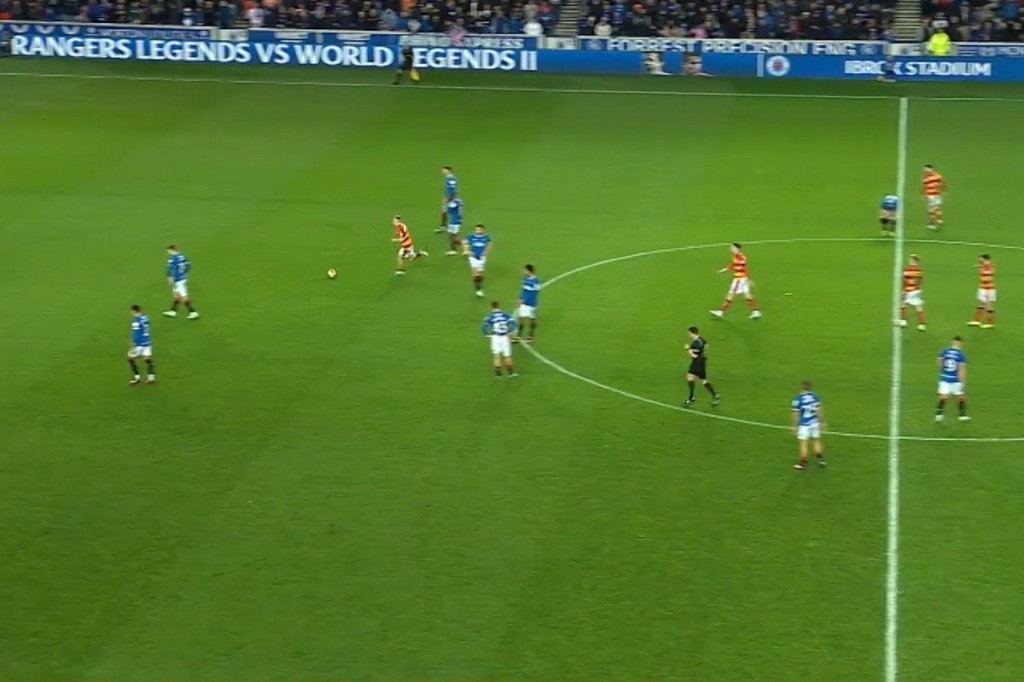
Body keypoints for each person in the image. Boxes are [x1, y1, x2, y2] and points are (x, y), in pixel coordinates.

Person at [710, 242, 761, 320]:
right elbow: (733, 265)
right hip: (742, 279)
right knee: (747, 295)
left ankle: (720, 312)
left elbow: (743, 269)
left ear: (737, 249)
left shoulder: (740, 258)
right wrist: (724, 270)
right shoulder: (737, 256)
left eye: (732, 247)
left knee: (730, 294)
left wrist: (748, 280)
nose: (731, 249)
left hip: (739, 279)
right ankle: (756, 311)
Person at [791, 381, 826, 470]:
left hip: (804, 425)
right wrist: (821, 422)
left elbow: (796, 415)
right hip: (814, 423)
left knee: (804, 444)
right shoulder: (815, 396)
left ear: (801, 388)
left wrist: (795, 427)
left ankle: (803, 464)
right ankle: (821, 460)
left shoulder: (798, 399)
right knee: (816, 441)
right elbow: (819, 410)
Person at [683, 326, 720, 407]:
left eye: (689, 333)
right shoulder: (701, 339)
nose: (688, 335)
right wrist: (703, 352)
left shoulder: (696, 343)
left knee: (690, 377)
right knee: (702, 380)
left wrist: (687, 350)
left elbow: (694, 356)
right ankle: (715, 396)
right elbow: (706, 345)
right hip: (702, 362)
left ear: (693, 333)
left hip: (697, 363)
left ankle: (691, 398)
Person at [936, 336, 970, 422]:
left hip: (945, 378)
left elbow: (939, 362)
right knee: (961, 397)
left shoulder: (944, 351)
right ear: (960, 343)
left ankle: (939, 414)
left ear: (952, 342)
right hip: (956, 380)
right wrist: (963, 382)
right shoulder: (960, 355)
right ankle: (962, 415)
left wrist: (943, 372)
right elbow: (961, 370)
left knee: (943, 396)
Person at [481, 301, 517, 377]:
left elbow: (484, 327)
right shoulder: (505, 315)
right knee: (507, 356)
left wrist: (487, 335)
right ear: (499, 306)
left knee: (496, 356)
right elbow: (513, 324)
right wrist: (510, 332)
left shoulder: (490, 316)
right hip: (505, 337)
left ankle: (498, 374)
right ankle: (511, 373)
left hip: (496, 337)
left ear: (491, 307)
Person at [163, 245, 199, 320]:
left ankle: (193, 312)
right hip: (182, 278)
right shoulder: (182, 257)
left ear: (172, 250)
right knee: (176, 295)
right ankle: (173, 311)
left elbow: (169, 269)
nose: (168, 252)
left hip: (177, 280)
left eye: (168, 251)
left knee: (184, 297)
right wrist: (185, 273)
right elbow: (189, 265)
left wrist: (169, 278)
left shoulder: (172, 259)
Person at [128, 304, 156, 385]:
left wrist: (133, 345)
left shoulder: (136, 321)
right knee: (147, 359)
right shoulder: (146, 318)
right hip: (147, 342)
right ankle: (151, 377)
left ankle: (137, 378)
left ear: (134, 311)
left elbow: (136, 334)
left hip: (139, 344)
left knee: (130, 358)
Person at [899, 254, 926, 331]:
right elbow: (920, 281)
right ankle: (921, 324)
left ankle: (903, 321)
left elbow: (904, 281)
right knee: (919, 306)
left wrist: (903, 290)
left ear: (913, 261)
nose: (909, 261)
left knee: (904, 304)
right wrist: (918, 289)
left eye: (910, 260)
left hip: (908, 290)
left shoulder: (907, 270)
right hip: (916, 291)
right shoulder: (919, 271)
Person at [969, 253, 996, 328]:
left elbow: (988, 274)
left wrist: (981, 267)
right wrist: (981, 266)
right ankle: (976, 321)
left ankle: (990, 323)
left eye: (979, 258)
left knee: (988, 304)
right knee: (980, 304)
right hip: (983, 288)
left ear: (984, 259)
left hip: (988, 288)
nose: (978, 259)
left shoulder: (989, 266)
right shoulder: (985, 265)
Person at [464, 224, 492, 297]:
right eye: (476, 229)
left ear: (483, 230)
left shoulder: (486, 237)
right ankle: (478, 290)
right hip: (473, 257)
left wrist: (486, 251)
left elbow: (489, 244)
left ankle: (479, 285)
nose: (478, 231)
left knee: (481, 274)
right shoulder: (471, 237)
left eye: (479, 230)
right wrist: (467, 251)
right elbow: (465, 243)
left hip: (482, 257)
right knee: (476, 274)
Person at [515, 264, 540, 343]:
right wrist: (519, 299)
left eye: (525, 270)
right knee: (521, 318)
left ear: (529, 271)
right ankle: (518, 336)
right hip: (524, 303)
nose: (524, 271)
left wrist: (523, 300)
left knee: (532, 319)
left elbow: (534, 293)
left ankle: (530, 336)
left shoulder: (535, 281)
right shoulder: (525, 279)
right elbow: (523, 291)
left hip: (531, 303)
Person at [921, 164, 945, 230]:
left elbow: (924, 187)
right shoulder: (938, 175)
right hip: (937, 195)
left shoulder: (926, 178)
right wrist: (942, 191)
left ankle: (933, 225)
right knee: (937, 208)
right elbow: (942, 183)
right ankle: (939, 220)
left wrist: (922, 193)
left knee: (931, 211)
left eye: (925, 169)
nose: (924, 170)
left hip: (931, 196)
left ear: (930, 169)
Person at [437, 166, 457, 233]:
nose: (443, 172)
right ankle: (444, 226)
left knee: (447, 211)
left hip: (451, 197)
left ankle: (446, 227)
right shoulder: (448, 178)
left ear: (449, 171)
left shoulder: (451, 178)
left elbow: (453, 189)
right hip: (449, 197)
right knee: (444, 211)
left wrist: (448, 198)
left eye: (444, 170)